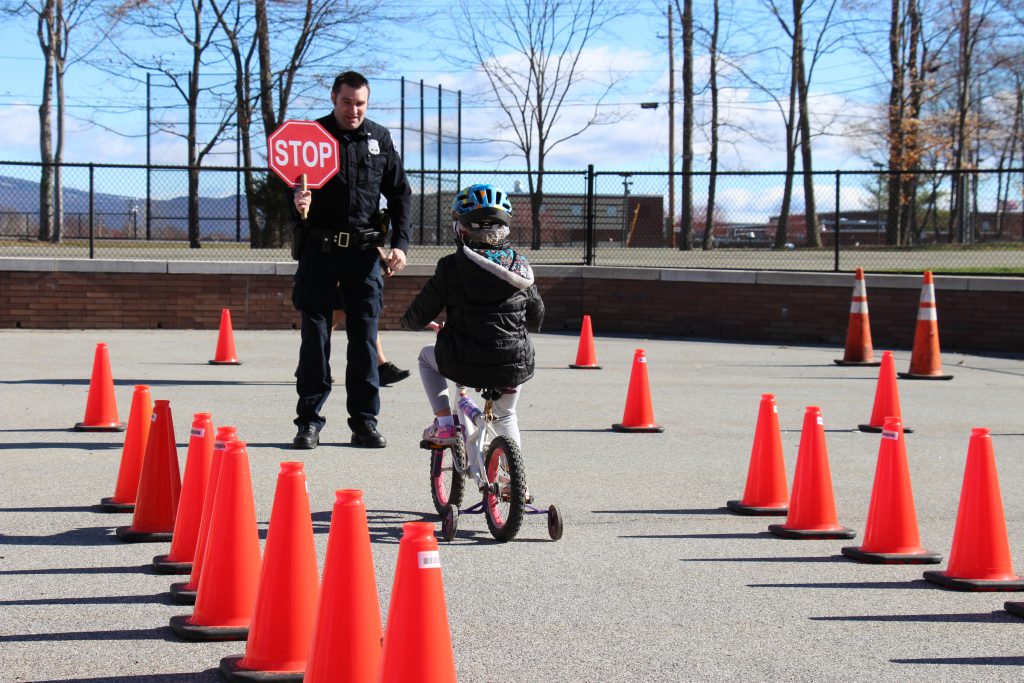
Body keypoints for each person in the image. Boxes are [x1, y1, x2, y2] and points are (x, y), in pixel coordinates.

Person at [291, 70, 411, 450]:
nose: (353, 110)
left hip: (363, 255)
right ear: (333, 98)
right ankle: (309, 422)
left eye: (360, 103)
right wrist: (298, 204)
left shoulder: (379, 138)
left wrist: (401, 245)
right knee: (316, 338)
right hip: (320, 252)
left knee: (364, 340)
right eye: (347, 102)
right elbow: (290, 186)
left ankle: (364, 423)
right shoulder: (312, 137)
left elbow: (400, 195)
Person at [400, 183, 544, 448]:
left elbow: (420, 313)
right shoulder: (520, 267)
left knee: (425, 357)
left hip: (464, 362)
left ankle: (444, 426)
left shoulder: (451, 267)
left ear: (460, 228)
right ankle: (513, 485)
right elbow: (537, 318)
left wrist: (408, 322)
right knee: (506, 415)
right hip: (513, 364)